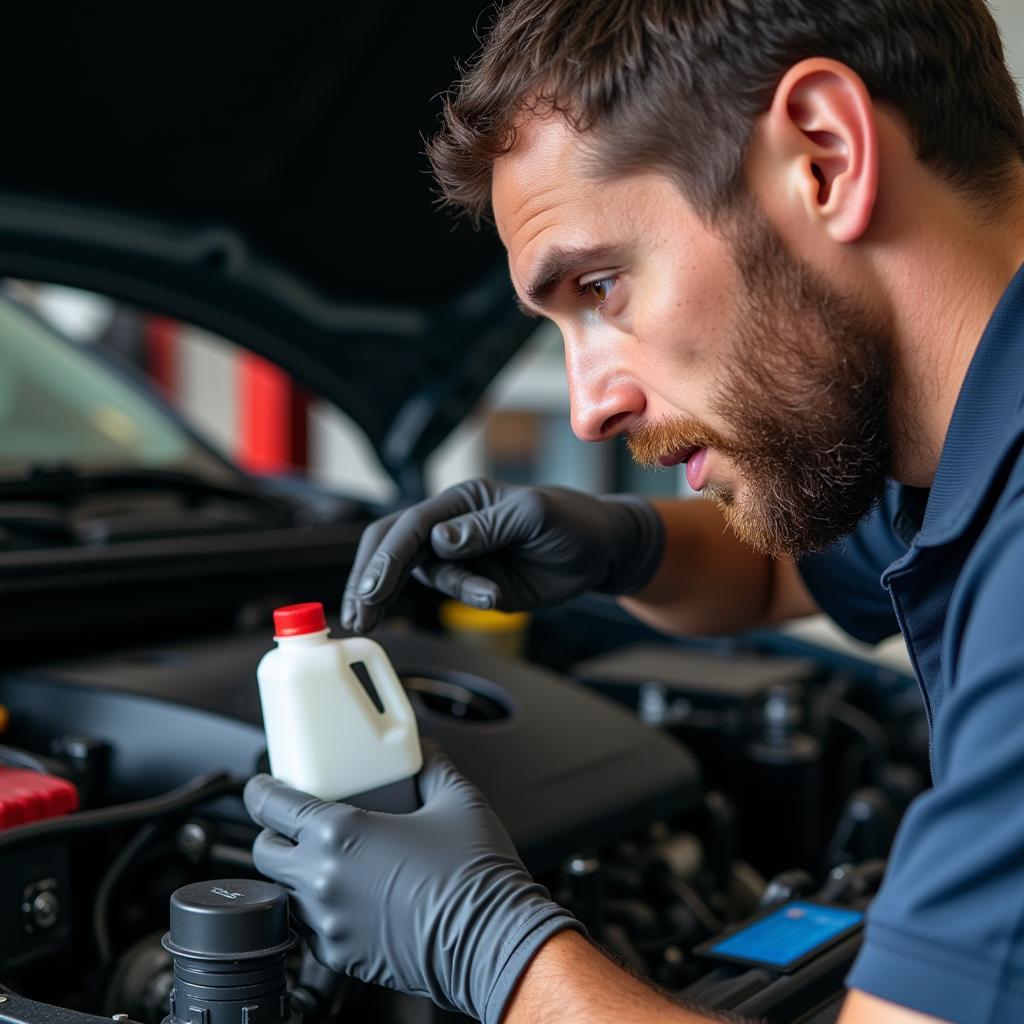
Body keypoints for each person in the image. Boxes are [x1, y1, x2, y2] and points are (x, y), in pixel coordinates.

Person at [242, 1, 1024, 1021]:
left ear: (824, 158)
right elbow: (780, 566)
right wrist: (623, 547)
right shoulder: (963, 449)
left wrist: (489, 946)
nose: (589, 404)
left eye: (600, 286)